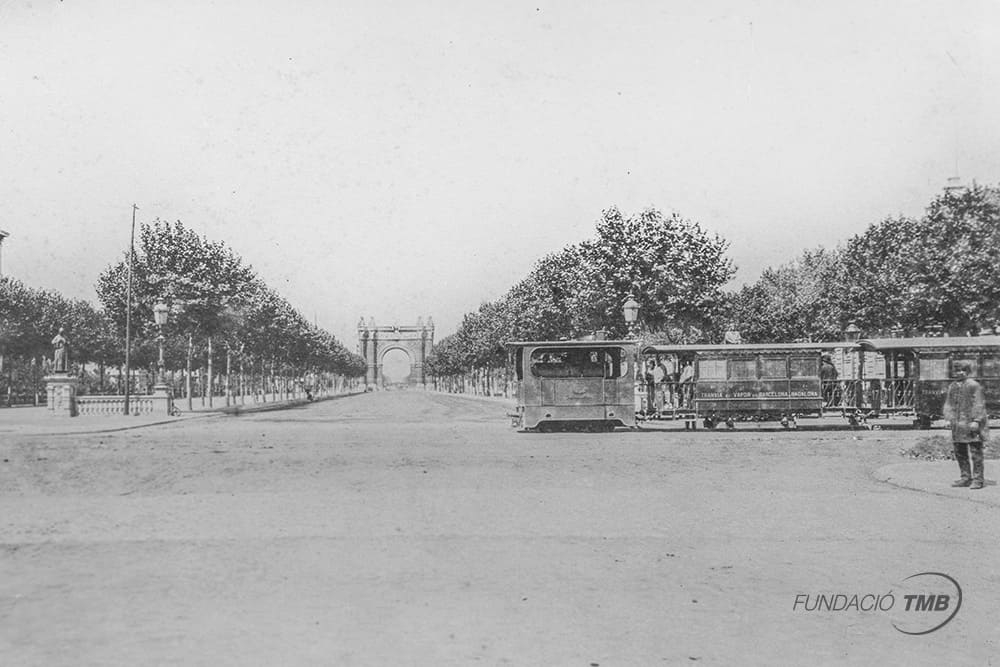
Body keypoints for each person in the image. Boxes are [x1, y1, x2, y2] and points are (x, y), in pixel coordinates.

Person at [942, 360, 989, 489]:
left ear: (967, 372)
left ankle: (978, 480)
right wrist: (948, 418)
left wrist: (976, 420)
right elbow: (948, 404)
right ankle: (965, 477)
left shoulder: (974, 385)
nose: (959, 373)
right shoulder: (952, 386)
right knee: (960, 452)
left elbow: (979, 403)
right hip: (957, 424)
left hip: (971, 424)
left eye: (962, 370)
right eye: (956, 370)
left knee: (975, 452)